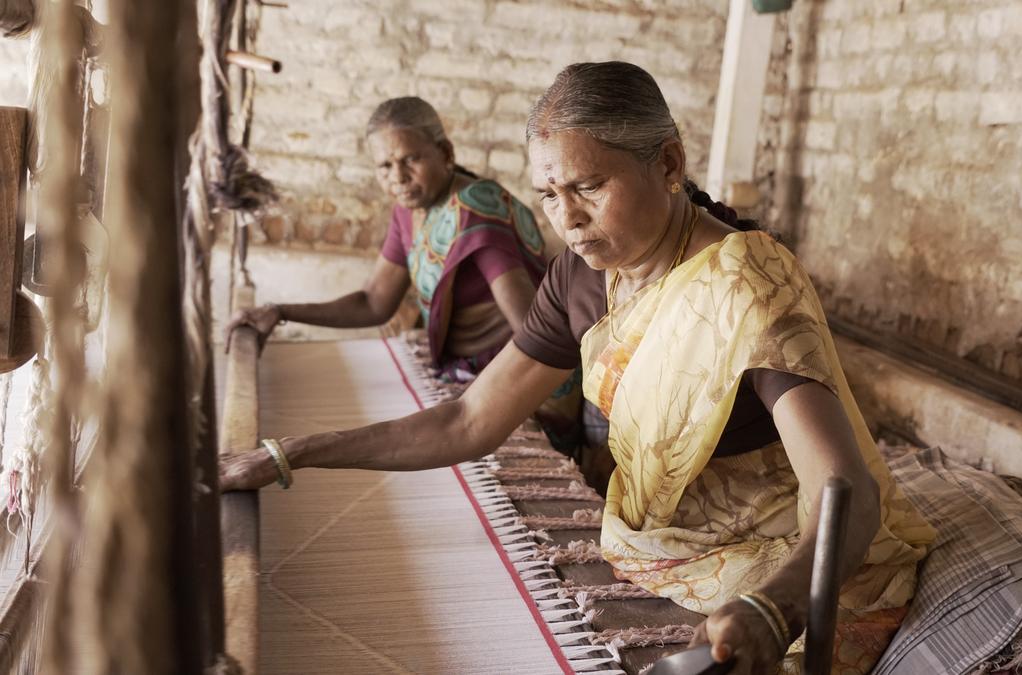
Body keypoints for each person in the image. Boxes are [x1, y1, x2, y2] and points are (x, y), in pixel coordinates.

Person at [221, 63, 937, 674]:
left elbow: (845, 492)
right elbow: (471, 419)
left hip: (779, 551)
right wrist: (290, 454)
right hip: (659, 546)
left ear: (668, 164)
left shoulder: (743, 289)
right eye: (547, 193)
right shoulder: (580, 277)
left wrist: (769, 607)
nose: (566, 217)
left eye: (589, 187)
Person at [226, 96, 547, 383]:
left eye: (411, 159)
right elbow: (374, 302)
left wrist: (484, 402)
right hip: (465, 370)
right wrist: (279, 311)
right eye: (385, 165)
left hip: (510, 376)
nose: (398, 177)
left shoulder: (475, 209)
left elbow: (532, 331)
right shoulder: (409, 211)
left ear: (445, 153)